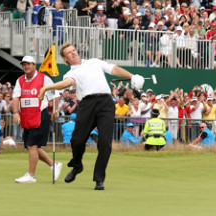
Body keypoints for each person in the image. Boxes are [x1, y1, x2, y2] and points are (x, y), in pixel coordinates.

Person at [36, 41, 145, 191]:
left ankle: (99, 179)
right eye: (69, 53)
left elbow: (114, 69)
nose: (73, 53)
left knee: (105, 142)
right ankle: (77, 165)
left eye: (74, 50)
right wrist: (48, 87)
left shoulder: (94, 62)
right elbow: (66, 83)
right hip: (87, 104)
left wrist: (132, 76)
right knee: (77, 140)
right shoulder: (71, 73)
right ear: (65, 59)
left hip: (105, 103)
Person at [11, 55, 63, 184]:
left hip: (40, 115)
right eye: (24, 64)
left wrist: (55, 110)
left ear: (34, 65)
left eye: (29, 64)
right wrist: (16, 112)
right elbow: (16, 97)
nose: (26, 66)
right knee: (31, 146)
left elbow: (55, 95)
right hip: (27, 116)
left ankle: (31, 175)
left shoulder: (44, 78)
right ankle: (53, 164)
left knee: (32, 145)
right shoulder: (20, 80)